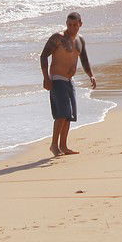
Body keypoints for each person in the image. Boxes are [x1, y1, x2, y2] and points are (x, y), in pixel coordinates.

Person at [39, 11, 97, 157]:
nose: (72, 28)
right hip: (57, 79)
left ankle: (63, 146)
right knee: (62, 114)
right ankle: (54, 145)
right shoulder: (57, 38)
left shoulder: (80, 40)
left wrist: (91, 75)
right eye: (69, 25)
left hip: (69, 81)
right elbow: (44, 56)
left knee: (69, 115)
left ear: (80, 24)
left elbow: (84, 59)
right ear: (66, 24)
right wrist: (46, 78)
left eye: (75, 25)